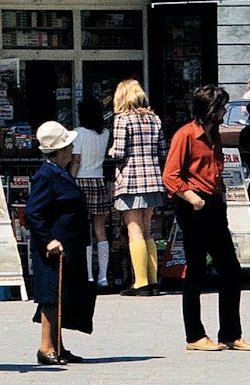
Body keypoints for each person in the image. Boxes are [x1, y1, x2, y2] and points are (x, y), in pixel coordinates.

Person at [164, 84, 250, 353]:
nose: (225, 111)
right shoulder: (185, 135)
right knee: (196, 271)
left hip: (214, 203)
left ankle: (230, 332)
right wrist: (192, 198)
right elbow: (170, 175)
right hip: (194, 205)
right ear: (209, 109)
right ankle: (194, 335)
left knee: (231, 269)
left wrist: (221, 195)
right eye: (221, 107)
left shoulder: (214, 134)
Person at [27, 121, 95, 366]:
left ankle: (58, 346)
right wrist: (48, 240)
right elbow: (33, 213)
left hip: (69, 246)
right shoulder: (46, 175)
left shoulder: (60, 172)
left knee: (63, 296)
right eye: (69, 145)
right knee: (51, 297)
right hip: (54, 248)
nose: (73, 148)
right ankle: (46, 348)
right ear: (60, 150)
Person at [107, 78, 166, 296]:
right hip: (152, 178)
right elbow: (162, 151)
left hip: (131, 179)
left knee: (134, 228)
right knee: (148, 229)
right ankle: (152, 281)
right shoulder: (155, 119)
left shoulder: (122, 119)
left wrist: (111, 150)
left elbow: (120, 152)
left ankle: (140, 282)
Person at [71, 96, 113, 287]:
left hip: (81, 180)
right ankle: (103, 277)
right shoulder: (104, 133)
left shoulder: (78, 133)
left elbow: (76, 160)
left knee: (84, 231)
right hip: (99, 180)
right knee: (100, 230)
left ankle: (87, 275)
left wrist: (70, 179)